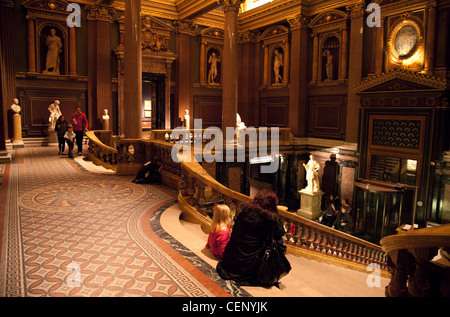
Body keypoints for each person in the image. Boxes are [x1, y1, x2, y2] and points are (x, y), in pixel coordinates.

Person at [216, 189, 287, 287]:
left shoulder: (245, 211)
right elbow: (281, 232)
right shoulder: (269, 219)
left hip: (230, 260)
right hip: (247, 265)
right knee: (279, 241)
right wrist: (276, 215)